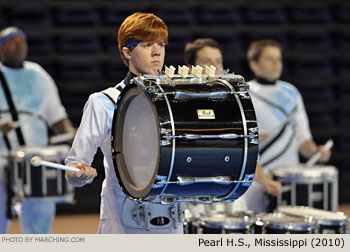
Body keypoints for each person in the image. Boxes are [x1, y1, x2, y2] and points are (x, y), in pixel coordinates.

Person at [65, 12, 186, 234]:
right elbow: (73, 169)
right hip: (122, 223)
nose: (157, 51)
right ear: (127, 51)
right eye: (147, 44)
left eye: (161, 44)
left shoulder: (177, 101)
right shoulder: (103, 102)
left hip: (173, 222)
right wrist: (80, 174)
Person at [183, 38, 281, 215]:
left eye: (218, 61)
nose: (214, 66)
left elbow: (246, 154)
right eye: (206, 61)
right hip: (193, 197)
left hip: (228, 195)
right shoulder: (180, 105)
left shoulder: (234, 103)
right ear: (191, 68)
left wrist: (265, 181)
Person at [242, 39, 332, 212]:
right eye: (269, 59)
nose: (277, 64)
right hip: (257, 180)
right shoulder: (245, 92)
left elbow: (302, 139)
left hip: (288, 181)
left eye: (279, 59)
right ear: (254, 64)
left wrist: (316, 152)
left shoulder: (291, 92)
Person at [0, 27, 75, 233]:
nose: (19, 45)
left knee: (39, 225)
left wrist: (72, 135)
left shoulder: (38, 74)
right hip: (2, 159)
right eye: (12, 41)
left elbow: (56, 116)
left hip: (35, 159)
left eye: (22, 41)